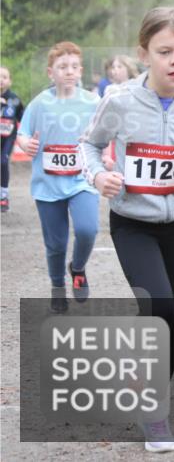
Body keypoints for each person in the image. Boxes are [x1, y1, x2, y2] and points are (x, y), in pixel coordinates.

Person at [80, 6, 174, 453]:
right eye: (164, 51)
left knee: (173, 320)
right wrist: (98, 177)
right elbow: (88, 146)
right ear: (144, 54)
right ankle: (154, 410)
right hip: (133, 224)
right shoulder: (120, 100)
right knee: (159, 305)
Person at [16, 43, 100, 313]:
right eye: (62, 67)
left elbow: (104, 134)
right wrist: (26, 144)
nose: (69, 72)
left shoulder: (93, 102)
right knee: (56, 244)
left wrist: (106, 157)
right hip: (48, 184)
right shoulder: (40, 103)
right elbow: (23, 133)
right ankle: (57, 286)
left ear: (81, 71)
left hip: (82, 180)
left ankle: (78, 268)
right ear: (50, 72)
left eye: (74, 67)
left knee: (88, 230)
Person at [0, 65, 25, 213]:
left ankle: (3, 196)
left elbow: (24, 118)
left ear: (10, 81)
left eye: (4, 77)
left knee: (3, 161)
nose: (1, 80)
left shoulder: (15, 99)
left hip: (8, 138)